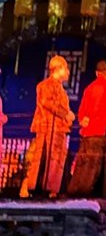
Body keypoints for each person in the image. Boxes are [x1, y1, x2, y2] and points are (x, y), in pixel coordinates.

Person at [67, 60, 106, 198]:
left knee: (85, 165)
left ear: (97, 73)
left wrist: (84, 121)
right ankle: (97, 197)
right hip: (103, 133)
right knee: (101, 168)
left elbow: (81, 112)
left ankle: (76, 193)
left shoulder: (89, 89)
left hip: (88, 134)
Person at [20, 55, 75, 198]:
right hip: (47, 128)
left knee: (56, 162)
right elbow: (47, 102)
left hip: (58, 130)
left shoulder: (61, 90)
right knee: (44, 159)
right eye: (66, 68)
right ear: (58, 68)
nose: (68, 72)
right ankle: (40, 188)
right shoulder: (44, 85)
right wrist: (65, 114)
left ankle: (52, 189)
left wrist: (68, 117)